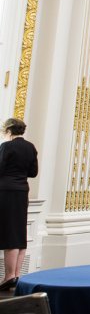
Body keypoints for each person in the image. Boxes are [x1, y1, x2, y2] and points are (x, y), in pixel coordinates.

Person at [0, 118, 37, 291]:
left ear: (8, 130)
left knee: (9, 233)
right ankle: (16, 274)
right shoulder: (30, 147)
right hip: (23, 191)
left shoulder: (6, 147)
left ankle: (8, 276)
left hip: (6, 191)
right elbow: (33, 172)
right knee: (19, 232)